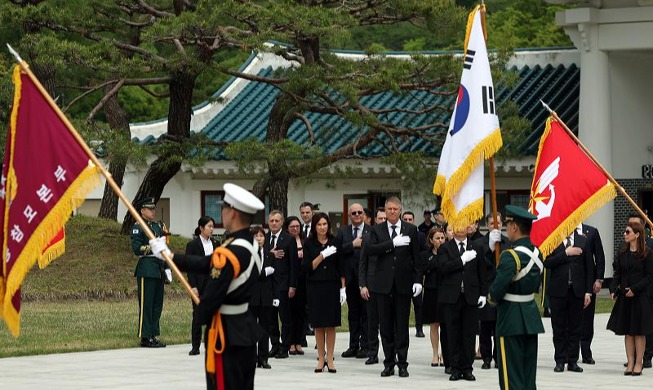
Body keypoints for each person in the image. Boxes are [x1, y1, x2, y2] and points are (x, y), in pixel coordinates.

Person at [149, 183, 266, 390]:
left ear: (233, 213)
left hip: (225, 334)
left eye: (224, 208)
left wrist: (201, 312)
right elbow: (206, 263)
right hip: (245, 328)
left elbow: (210, 299)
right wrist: (170, 256)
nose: (222, 212)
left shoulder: (228, 252)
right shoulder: (252, 245)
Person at [488, 205, 544, 390]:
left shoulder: (510, 256)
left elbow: (496, 291)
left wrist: (491, 299)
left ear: (514, 227)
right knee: (528, 375)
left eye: (508, 226)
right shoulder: (537, 254)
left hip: (510, 319)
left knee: (511, 376)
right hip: (530, 317)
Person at [366, 196, 422, 378]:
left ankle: (403, 363)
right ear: (385, 210)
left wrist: (417, 280)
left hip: (403, 284)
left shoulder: (411, 230)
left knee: (402, 325)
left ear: (400, 210)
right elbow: (370, 250)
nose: (391, 212)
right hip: (383, 285)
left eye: (395, 209)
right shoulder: (377, 230)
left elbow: (416, 258)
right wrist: (392, 244)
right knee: (386, 327)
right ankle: (389, 363)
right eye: (389, 209)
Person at [438, 224, 487, 381]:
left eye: (463, 225)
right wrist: (461, 260)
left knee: (469, 333)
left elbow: (482, 272)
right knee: (452, 333)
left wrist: (483, 294)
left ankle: (467, 368)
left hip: (470, 296)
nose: (460, 229)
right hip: (451, 297)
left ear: (468, 228)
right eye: (456, 225)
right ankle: (455, 367)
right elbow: (443, 267)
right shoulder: (445, 247)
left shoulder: (476, 247)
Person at [544, 223, 594, 373]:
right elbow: (547, 263)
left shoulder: (583, 240)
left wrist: (588, 292)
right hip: (558, 291)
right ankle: (560, 360)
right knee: (558, 327)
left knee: (575, 327)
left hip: (577, 291)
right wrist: (566, 254)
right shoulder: (553, 240)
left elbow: (589, 267)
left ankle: (573, 361)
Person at [607, 221, 653, 376]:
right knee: (628, 331)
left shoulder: (647, 253)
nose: (624, 234)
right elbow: (617, 274)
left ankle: (639, 363)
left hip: (640, 297)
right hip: (625, 297)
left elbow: (649, 277)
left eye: (628, 232)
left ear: (637, 234)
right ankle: (630, 362)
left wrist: (635, 289)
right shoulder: (622, 253)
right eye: (625, 231)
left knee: (639, 331)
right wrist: (613, 289)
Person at [303, 212, 345, 373]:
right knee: (319, 324)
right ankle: (321, 358)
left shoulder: (335, 241)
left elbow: (341, 266)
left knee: (331, 324)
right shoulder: (309, 243)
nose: (322, 227)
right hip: (315, 286)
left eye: (324, 224)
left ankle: (331, 358)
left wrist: (343, 288)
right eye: (319, 224)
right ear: (315, 226)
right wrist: (322, 255)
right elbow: (307, 267)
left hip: (332, 286)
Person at [130, 197, 170, 348]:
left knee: (156, 304)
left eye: (154, 208)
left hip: (158, 267)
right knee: (146, 304)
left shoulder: (158, 226)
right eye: (149, 209)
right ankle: (145, 337)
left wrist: (167, 267)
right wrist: (152, 247)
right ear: (142, 211)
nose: (153, 211)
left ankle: (153, 334)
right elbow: (136, 248)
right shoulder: (138, 227)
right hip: (146, 267)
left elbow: (165, 246)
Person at [474, 212, 509, 369]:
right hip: (486, 288)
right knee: (486, 327)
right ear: (487, 225)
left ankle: (499, 357)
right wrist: (489, 248)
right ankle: (486, 357)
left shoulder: (507, 242)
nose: (496, 226)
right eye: (492, 224)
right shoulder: (480, 242)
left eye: (498, 224)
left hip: (502, 290)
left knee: (499, 327)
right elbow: (479, 264)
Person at [337, 203, 371, 359]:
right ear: (349, 215)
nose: (357, 215)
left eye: (360, 212)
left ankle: (365, 346)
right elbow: (336, 250)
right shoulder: (343, 231)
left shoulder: (371, 231)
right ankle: (353, 345)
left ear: (364, 214)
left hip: (366, 280)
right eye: (354, 213)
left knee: (366, 314)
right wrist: (352, 244)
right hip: (350, 279)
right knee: (353, 314)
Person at [266, 210, 298, 359]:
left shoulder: (288, 240)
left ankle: (285, 347)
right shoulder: (264, 239)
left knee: (285, 317)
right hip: (268, 285)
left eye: (276, 221)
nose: (274, 223)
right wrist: (270, 253)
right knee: (270, 317)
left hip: (283, 285)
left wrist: (292, 285)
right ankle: (275, 345)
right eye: (271, 221)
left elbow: (293, 265)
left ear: (282, 222)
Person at [185, 216, 218, 356]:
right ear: (201, 228)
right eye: (209, 226)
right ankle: (195, 346)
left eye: (212, 226)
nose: (211, 229)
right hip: (199, 284)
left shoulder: (216, 244)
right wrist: (193, 286)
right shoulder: (192, 245)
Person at [359, 207, 386, 365]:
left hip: (388, 285)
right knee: (372, 322)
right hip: (371, 285)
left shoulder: (392, 236)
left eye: (385, 219)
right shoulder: (368, 236)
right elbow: (363, 262)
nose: (382, 221)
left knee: (389, 323)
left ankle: (392, 352)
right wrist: (362, 284)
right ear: (375, 219)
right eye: (380, 218)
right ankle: (372, 353)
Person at [627, 212, 653, 368]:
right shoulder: (625, 246)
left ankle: (647, 356)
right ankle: (635, 357)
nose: (630, 227)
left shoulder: (650, 244)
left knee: (645, 325)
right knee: (632, 326)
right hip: (630, 292)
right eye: (629, 224)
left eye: (634, 224)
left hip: (647, 290)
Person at [578, 222, 605, 365]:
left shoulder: (592, 232)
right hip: (571, 281)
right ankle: (570, 353)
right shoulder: (563, 232)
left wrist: (599, 279)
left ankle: (586, 352)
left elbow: (599, 256)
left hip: (589, 280)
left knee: (587, 319)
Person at [250, 226, 277, 369]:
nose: (259, 239)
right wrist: (264, 272)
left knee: (265, 328)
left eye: (261, 236)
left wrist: (275, 296)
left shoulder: (269, 255)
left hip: (266, 296)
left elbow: (275, 278)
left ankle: (263, 358)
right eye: (256, 236)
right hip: (251, 297)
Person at [421, 227, 445, 367]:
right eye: (437, 238)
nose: (440, 241)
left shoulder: (448, 252)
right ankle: (435, 354)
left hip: (445, 291)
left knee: (446, 324)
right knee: (434, 324)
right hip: (431, 291)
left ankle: (445, 354)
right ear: (431, 240)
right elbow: (424, 269)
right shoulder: (425, 255)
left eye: (442, 238)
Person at [283, 216, 307, 355]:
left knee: (300, 312)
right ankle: (290, 342)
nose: (295, 229)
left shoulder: (304, 240)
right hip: (289, 280)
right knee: (289, 312)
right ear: (287, 228)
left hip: (303, 281)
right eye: (292, 227)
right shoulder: (285, 241)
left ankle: (299, 341)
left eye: (297, 226)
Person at [402, 211, 425, 338]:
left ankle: (419, 328)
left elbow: (422, 252)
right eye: (405, 219)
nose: (408, 221)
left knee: (418, 303)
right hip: (403, 275)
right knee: (404, 305)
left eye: (410, 219)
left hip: (415, 273)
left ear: (413, 220)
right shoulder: (398, 234)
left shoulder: (420, 235)